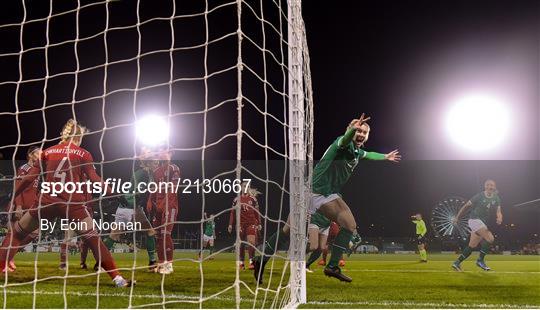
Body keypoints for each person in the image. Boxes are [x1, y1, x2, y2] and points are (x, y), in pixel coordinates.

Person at [254, 114, 400, 283]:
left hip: (327, 195)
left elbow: (369, 154)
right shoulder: (341, 144)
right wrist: (351, 130)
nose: (361, 133)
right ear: (350, 130)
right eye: (358, 130)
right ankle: (260, 260)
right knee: (287, 231)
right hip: (310, 191)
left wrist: (385, 156)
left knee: (349, 224)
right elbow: (344, 140)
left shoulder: (357, 152)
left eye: (364, 132)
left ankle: (332, 266)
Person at [0, 119, 133, 287]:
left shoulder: (47, 152)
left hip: (47, 202)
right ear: (78, 137)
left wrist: (14, 197)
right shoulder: (83, 154)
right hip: (72, 204)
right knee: (94, 241)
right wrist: (114, 193)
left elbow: (29, 179)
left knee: (17, 234)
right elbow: (94, 179)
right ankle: (118, 279)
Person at [102, 147, 158, 271]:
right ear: (148, 162)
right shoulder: (142, 173)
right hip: (131, 208)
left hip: (127, 208)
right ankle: (152, 263)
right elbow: (139, 193)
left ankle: (100, 262)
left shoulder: (147, 173)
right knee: (150, 232)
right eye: (155, 162)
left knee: (114, 236)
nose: (157, 163)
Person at [452, 179, 503, 271]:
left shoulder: (496, 198)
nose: (490, 187)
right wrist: (457, 217)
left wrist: (499, 217)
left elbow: (498, 211)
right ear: (485, 186)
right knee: (490, 238)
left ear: (494, 187)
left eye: (492, 185)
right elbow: (466, 206)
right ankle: (480, 260)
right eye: (488, 185)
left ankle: (457, 263)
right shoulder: (479, 196)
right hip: (474, 220)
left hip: (481, 222)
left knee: (472, 246)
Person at [6, 146, 41, 271]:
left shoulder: (37, 171)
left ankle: (10, 256)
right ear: (31, 155)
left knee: (34, 233)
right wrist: (18, 205)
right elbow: (18, 187)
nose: (40, 156)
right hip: (18, 205)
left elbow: (33, 190)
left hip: (30, 206)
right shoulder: (24, 168)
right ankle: (6, 261)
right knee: (13, 235)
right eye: (38, 154)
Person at [146, 147, 180, 275]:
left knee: (166, 234)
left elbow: (173, 189)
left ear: (170, 153)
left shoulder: (174, 168)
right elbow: (154, 188)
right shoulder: (156, 171)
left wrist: (164, 204)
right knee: (158, 236)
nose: (160, 153)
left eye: (164, 151)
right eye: (159, 151)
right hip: (158, 207)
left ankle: (169, 264)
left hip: (169, 206)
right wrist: (150, 200)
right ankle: (161, 264)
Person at [228, 182, 262, 270]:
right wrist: (230, 224)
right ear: (241, 188)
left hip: (251, 223)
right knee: (241, 244)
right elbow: (232, 212)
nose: (246, 188)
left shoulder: (253, 199)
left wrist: (259, 223)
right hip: (240, 225)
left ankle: (251, 262)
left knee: (251, 242)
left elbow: (257, 212)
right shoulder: (236, 200)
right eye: (244, 186)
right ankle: (241, 263)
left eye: (248, 186)